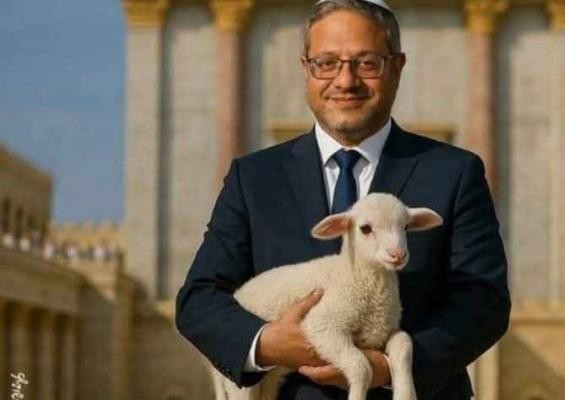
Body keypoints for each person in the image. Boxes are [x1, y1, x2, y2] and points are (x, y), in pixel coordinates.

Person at [175, 0, 510, 399]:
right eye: (327, 63)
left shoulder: (453, 173)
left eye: (367, 63)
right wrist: (266, 343)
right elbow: (199, 299)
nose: (345, 81)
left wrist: (392, 369)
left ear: (397, 68)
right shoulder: (254, 178)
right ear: (306, 69)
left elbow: (484, 301)